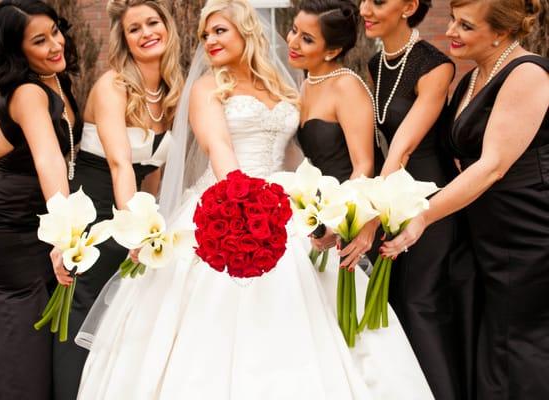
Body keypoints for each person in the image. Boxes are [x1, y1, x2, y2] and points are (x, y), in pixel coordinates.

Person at [76, 0, 433, 399]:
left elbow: (298, 155)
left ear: (246, 31)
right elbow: (219, 148)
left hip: (286, 199)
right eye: (205, 34)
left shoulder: (282, 87)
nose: (209, 40)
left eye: (220, 31)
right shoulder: (206, 87)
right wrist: (249, 205)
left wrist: (312, 204)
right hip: (227, 202)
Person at [382, 0, 549, 398]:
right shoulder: (474, 77)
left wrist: (423, 215)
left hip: (528, 232)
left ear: (501, 33)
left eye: (466, 26)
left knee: (522, 343)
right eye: (453, 20)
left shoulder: (527, 73)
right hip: (485, 228)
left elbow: (492, 165)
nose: (452, 32)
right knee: (493, 340)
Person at [0, 1, 82, 399]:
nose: (55, 44)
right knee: (21, 308)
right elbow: (47, 159)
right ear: (17, 50)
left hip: (24, 213)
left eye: (55, 31)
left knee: (14, 306)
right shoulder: (27, 92)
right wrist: (64, 234)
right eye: (39, 41)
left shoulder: (53, 81)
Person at [51, 1, 181, 399]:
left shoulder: (172, 92)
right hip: (97, 217)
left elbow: (153, 171)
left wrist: (156, 223)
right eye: (134, 29)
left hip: (133, 210)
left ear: (167, 28)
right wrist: (134, 232)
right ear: (124, 41)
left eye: (152, 23)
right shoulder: (113, 86)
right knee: (82, 313)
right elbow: (120, 163)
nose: (146, 33)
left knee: (123, 316)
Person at [358, 0, 466, 398]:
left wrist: (373, 209)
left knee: (421, 304)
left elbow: (402, 146)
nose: (366, 9)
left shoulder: (436, 65)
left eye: (379, 1)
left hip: (429, 198)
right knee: (398, 304)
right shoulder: (376, 63)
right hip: (393, 189)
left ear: (409, 6)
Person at [286, 0, 380, 270]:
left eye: (306, 39)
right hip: (315, 221)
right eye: (294, 30)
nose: (292, 42)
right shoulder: (305, 85)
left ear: (333, 50)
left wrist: (340, 223)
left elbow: (364, 165)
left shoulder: (346, 85)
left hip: (346, 223)